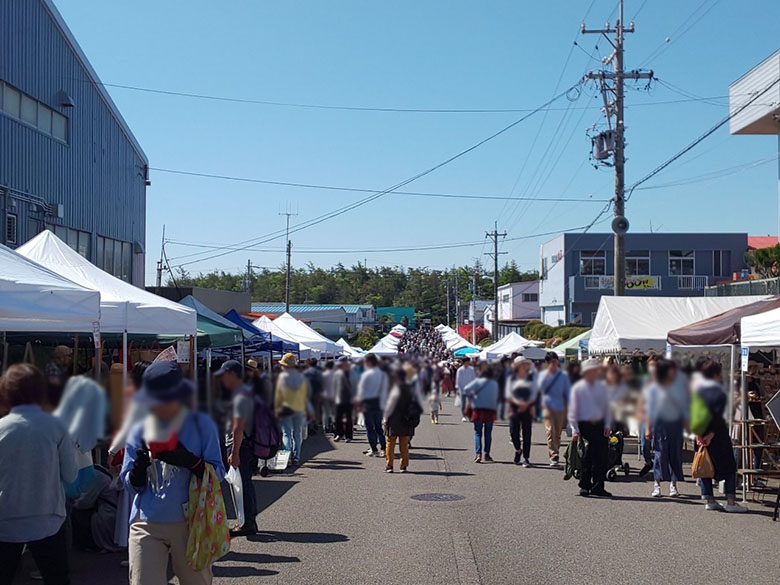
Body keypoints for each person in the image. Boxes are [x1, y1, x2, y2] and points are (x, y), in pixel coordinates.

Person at [121, 361, 225, 585]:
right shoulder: (138, 427)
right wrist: (138, 470)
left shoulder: (201, 424)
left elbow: (219, 473)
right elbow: (129, 484)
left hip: (191, 522)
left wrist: (193, 463)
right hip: (145, 521)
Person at [0, 364, 78, 585]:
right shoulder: (56, 426)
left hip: (5, 520)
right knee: (57, 579)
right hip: (48, 519)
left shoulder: (1, 428)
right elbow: (71, 475)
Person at [695, 360, 745, 513]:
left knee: (705, 465)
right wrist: (711, 433)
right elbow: (718, 415)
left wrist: (698, 434)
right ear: (715, 374)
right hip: (717, 435)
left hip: (701, 434)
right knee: (729, 467)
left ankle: (709, 498)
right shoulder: (719, 392)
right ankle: (730, 501)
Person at [215, 359, 258, 536]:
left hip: (242, 447)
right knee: (245, 484)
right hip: (247, 445)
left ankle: (246, 523)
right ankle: (249, 520)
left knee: (242, 486)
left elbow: (237, 427)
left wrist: (234, 452)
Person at [568, 358, 612, 498]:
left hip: (599, 425)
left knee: (602, 457)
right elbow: (573, 411)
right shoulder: (578, 388)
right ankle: (584, 486)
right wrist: (575, 430)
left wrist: (607, 425)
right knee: (587, 457)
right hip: (585, 425)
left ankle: (598, 486)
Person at [644, 359, 687, 498]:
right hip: (660, 424)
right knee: (660, 455)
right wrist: (648, 428)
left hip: (676, 424)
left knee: (675, 455)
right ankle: (657, 484)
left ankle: (673, 485)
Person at [383, 366, 423, 473]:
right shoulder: (411, 389)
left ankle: (389, 465)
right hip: (407, 419)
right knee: (404, 444)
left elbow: (389, 406)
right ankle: (403, 465)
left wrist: (385, 419)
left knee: (390, 443)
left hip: (393, 419)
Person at [274, 353, 309, 466]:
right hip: (299, 408)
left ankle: (287, 458)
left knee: (286, 434)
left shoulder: (283, 377)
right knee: (297, 434)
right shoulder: (301, 377)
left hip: (286, 408)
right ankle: (297, 457)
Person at [538, 352, 571, 467]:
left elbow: (568, 392)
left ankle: (556, 450)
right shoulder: (542, 376)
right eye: (551, 361)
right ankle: (553, 455)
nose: (554, 363)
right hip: (547, 406)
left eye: (555, 361)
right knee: (550, 431)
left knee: (557, 432)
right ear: (547, 363)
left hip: (560, 407)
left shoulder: (563, 376)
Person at [464, 363, 499, 463]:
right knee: (488, 433)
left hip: (478, 409)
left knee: (478, 432)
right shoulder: (494, 383)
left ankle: (478, 454)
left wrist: (473, 394)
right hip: (490, 409)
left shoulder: (477, 382)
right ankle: (487, 454)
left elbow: (466, 389)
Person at [356, 354, 388, 457]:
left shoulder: (367, 375)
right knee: (379, 427)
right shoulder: (382, 374)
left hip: (368, 403)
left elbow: (362, 391)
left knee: (370, 428)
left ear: (369, 362)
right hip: (379, 402)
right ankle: (383, 448)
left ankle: (374, 449)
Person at [507, 357, 536, 467]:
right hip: (515, 407)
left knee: (527, 433)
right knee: (513, 432)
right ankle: (518, 449)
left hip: (528, 408)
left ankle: (526, 457)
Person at [333, 357, 354, 442]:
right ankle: (339, 434)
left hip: (350, 399)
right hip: (339, 398)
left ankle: (348, 436)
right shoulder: (337, 373)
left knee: (349, 418)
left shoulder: (352, 373)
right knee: (337, 417)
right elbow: (334, 385)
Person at [303, 358, 324, 431]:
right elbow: (322, 383)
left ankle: (309, 425)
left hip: (307, 393)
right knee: (316, 408)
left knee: (308, 408)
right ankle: (315, 423)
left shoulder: (305, 372)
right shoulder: (319, 372)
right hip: (317, 393)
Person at [456, 358, 476, 422]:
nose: (468, 363)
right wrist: (458, 389)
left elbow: (474, 379)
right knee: (463, 404)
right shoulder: (460, 370)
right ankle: (464, 416)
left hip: (470, 389)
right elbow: (458, 380)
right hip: (462, 389)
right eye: (467, 362)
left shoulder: (472, 369)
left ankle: (470, 416)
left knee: (471, 404)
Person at [321, 361, 336, 434]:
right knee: (334, 412)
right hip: (334, 396)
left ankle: (325, 427)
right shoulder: (336, 375)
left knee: (325, 412)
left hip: (325, 396)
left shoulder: (324, 375)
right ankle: (334, 426)